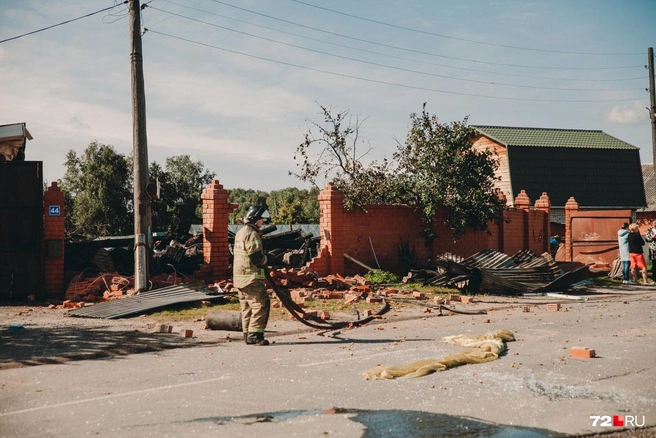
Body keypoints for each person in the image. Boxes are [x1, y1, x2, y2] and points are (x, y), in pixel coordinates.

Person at [233, 205, 272, 345]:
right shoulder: (252, 233)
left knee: (247, 308)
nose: (263, 224)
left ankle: (247, 335)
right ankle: (255, 336)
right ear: (255, 219)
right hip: (251, 278)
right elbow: (256, 257)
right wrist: (269, 260)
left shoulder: (240, 232)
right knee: (261, 304)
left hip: (239, 278)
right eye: (261, 221)